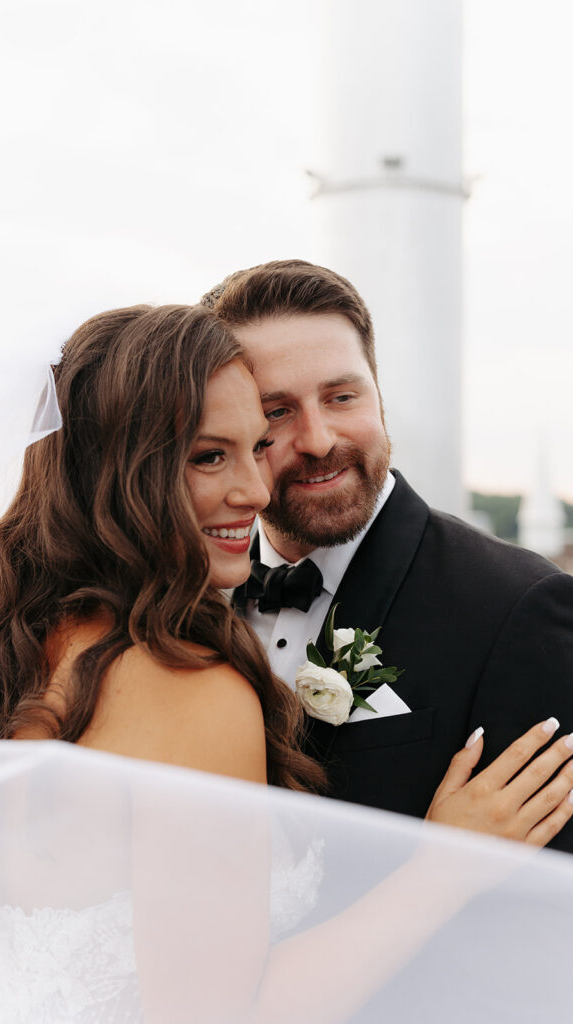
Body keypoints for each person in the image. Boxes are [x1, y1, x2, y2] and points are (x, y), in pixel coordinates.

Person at [0, 301, 573, 1023]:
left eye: (255, 444)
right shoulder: (185, 684)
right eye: (209, 454)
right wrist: (441, 869)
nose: (256, 489)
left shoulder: (18, 653)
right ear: (116, 468)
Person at [202, 259, 573, 852]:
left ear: (378, 391)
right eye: (277, 412)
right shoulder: (182, 592)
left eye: (342, 396)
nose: (320, 439)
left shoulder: (518, 607)